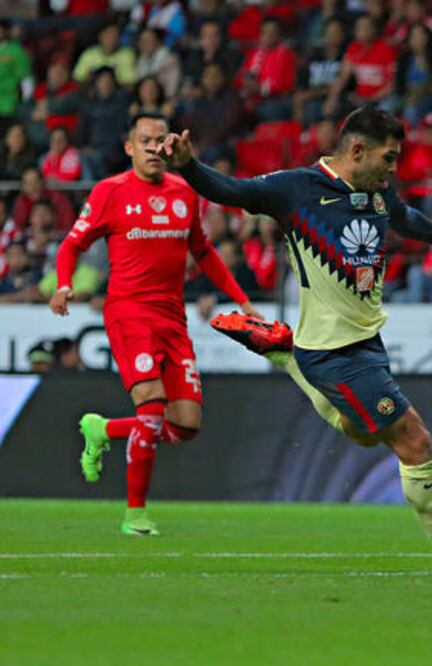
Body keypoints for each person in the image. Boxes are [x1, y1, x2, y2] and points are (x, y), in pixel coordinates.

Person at [153, 106, 432, 572]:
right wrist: (189, 167)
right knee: (414, 439)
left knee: (362, 433)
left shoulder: (377, 193)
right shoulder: (297, 188)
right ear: (357, 150)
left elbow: (405, 217)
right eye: (389, 158)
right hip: (333, 352)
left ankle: (285, 355)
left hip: (366, 343)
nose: (393, 169)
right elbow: (234, 191)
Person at [50, 112, 262, 536]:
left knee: (185, 425)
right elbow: (73, 243)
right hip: (129, 312)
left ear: (169, 146)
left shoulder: (185, 192)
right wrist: (64, 285)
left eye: (159, 141)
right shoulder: (110, 191)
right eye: (144, 141)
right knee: (150, 405)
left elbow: (203, 252)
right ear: (129, 147)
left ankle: (103, 428)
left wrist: (241, 300)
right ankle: (135, 515)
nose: (152, 148)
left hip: (172, 317)